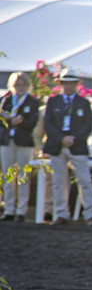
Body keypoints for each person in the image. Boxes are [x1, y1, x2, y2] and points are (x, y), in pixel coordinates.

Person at [43, 70, 92, 225]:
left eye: (72, 83)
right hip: (58, 146)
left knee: (85, 180)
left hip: (77, 146)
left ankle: (90, 214)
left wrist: (74, 138)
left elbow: (87, 126)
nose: (69, 86)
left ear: (76, 85)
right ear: (62, 84)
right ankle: (61, 213)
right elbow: (48, 123)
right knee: (59, 181)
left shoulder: (83, 103)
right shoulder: (54, 102)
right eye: (66, 83)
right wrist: (61, 138)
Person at [1, 72, 40, 222]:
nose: (21, 87)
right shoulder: (6, 101)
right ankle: (9, 208)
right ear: (13, 86)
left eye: (23, 85)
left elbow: (32, 123)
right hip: (7, 141)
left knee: (24, 176)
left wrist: (20, 122)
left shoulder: (32, 102)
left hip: (24, 143)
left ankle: (22, 210)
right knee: (8, 176)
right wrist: (9, 121)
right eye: (18, 85)